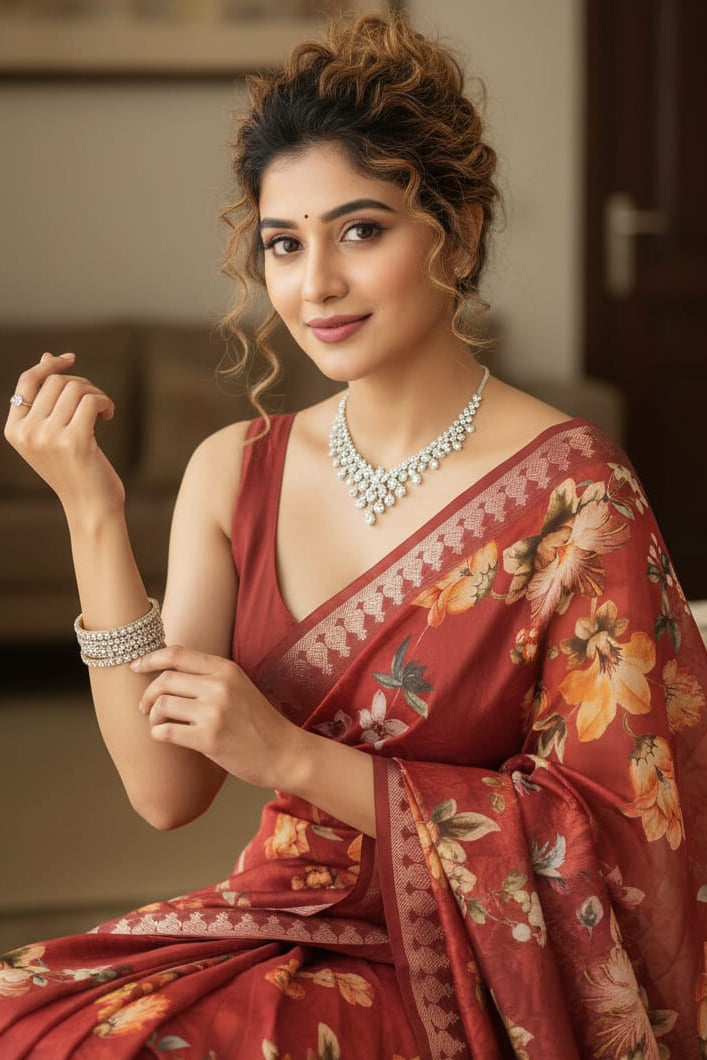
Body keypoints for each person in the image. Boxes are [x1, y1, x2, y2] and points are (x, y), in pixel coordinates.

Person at [1, 11, 706, 1059]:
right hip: (273, 920)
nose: (314, 284)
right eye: (284, 244)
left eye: (360, 230)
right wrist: (92, 512)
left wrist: (289, 753)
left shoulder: (575, 493)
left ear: (456, 234)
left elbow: (617, 833)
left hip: (472, 971)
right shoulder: (234, 468)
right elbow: (164, 790)